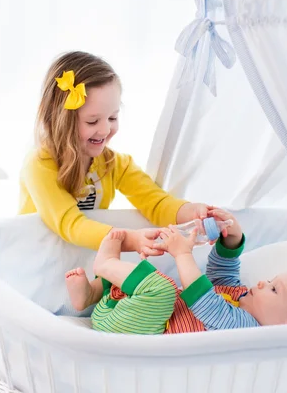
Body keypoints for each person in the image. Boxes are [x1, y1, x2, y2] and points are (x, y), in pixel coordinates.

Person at [19, 51, 213, 256]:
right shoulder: (40, 164)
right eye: (92, 121)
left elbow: (156, 203)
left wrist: (193, 213)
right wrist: (129, 239)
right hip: (37, 258)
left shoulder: (114, 164)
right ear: (60, 120)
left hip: (79, 259)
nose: (104, 130)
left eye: (112, 118)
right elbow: (70, 223)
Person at [65, 209, 287, 334]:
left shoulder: (247, 329)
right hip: (128, 312)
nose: (263, 283)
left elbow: (205, 302)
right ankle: (90, 295)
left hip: (141, 329)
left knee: (163, 289)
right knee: (138, 287)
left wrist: (182, 254)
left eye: (275, 289)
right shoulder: (241, 295)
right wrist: (232, 239)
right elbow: (223, 273)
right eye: (271, 280)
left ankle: (105, 265)